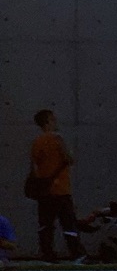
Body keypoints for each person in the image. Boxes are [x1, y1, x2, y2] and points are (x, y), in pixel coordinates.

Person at [29, 109, 85, 262]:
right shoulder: (57, 140)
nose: (56, 122)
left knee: (46, 225)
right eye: (53, 120)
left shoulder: (37, 142)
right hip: (61, 189)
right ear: (48, 122)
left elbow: (35, 166)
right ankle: (77, 254)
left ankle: (48, 254)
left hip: (45, 191)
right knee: (68, 224)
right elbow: (69, 159)